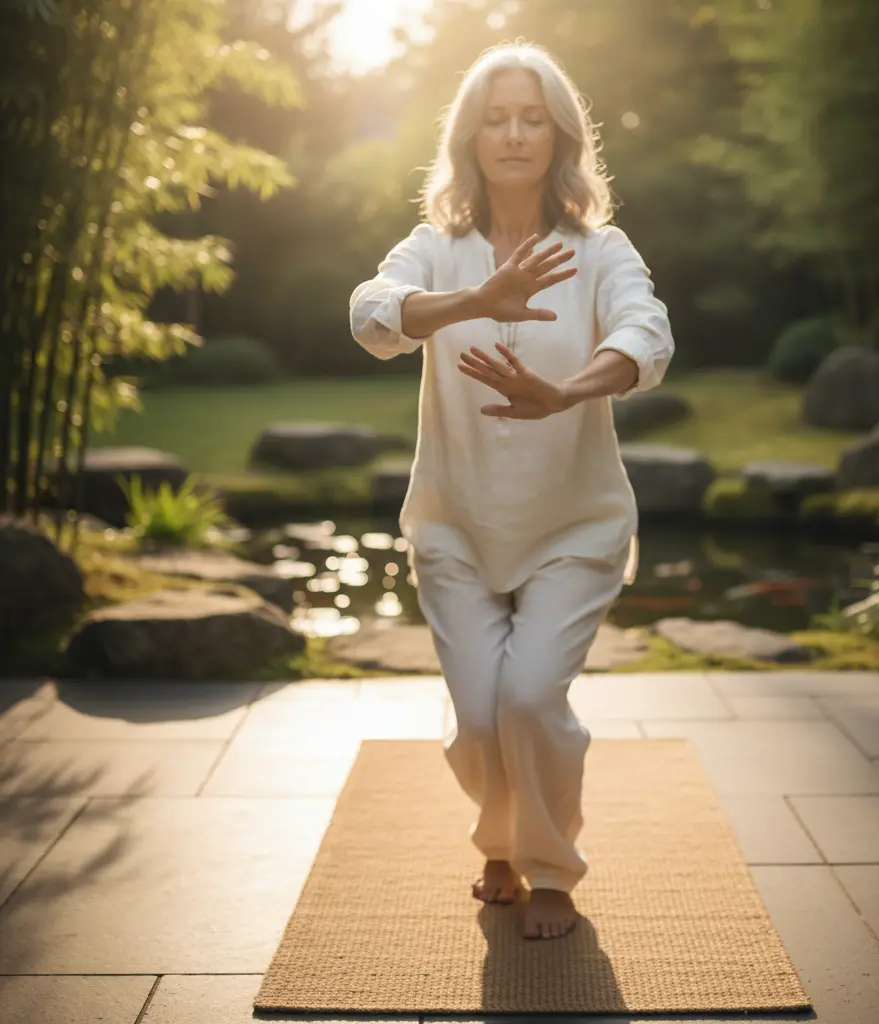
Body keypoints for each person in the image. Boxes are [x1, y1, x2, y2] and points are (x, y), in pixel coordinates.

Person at [349, 41, 674, 941]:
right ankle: (498, 840)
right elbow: (372, 315)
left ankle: (553, 872)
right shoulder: (436, 248)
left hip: (574, 524)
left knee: (526, 697)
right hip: (454, 523)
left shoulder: (599, 248)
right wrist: (473, 300)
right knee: (478, 715)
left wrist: (565, 392)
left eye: (533, 116)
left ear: (561, 135)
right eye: (497, 117)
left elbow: (648, 332)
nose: (515, 133)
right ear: (470, 137)